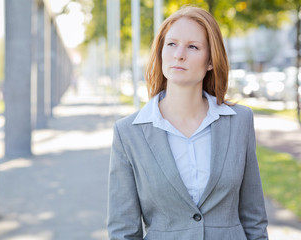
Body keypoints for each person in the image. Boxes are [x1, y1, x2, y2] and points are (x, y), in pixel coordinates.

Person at [107, 5, 268, 240]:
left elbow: (254, 220)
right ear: (161, 51)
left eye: (192, 47)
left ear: (211, 61)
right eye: (171, 44)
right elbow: (123, 231)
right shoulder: (127, 133)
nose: (179, 54)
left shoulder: (240, 122)